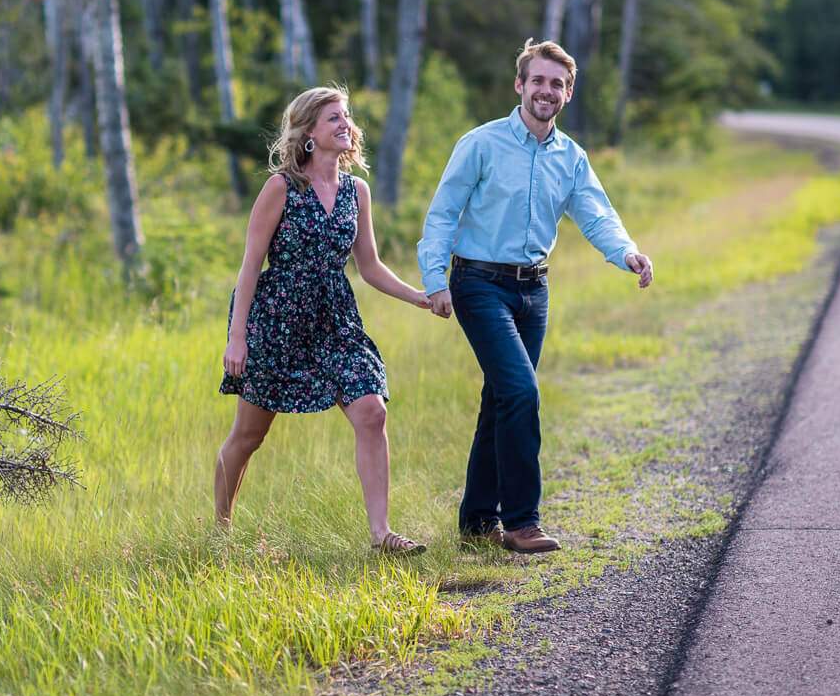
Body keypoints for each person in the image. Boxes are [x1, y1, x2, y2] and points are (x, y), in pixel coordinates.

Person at [417, 40, 654, 555]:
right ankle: (521, 522)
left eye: (557, 84)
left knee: (500, 400)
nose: (546, 91)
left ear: (567, 94)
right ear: (520, 85)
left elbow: (595, 212)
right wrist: (434, 278)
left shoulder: (571, 157)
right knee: (521, 393)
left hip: (534, 290)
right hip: (477, 282)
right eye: (538, 81)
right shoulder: (480, 144)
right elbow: (442, 213)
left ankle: (477, 522)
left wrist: (627, 252)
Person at [217, 86, 431, 555]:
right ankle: (220, 532)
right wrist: (238, 339)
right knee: (249, 435)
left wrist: (417, 296)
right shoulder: (280, 188)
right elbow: (251, 264)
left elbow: (369, 265)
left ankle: (381, 534)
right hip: (277, 321)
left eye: (347, 116)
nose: (345, 124)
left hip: (335, 320)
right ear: (309, 132)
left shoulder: (358, 192)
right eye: (334, 117)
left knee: (372, 411)